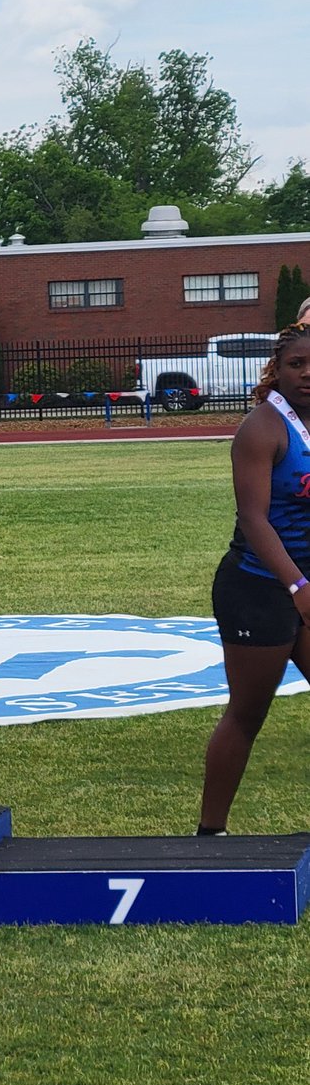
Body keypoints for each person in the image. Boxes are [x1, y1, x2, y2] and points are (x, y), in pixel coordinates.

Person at [198, 321, 310, 835]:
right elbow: (254, 518)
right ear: (278, 371)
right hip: (259, 587)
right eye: (297, 365)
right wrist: (298, 587)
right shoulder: (263, 427)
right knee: (247, 713)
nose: (307, 375)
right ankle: (211, 833)